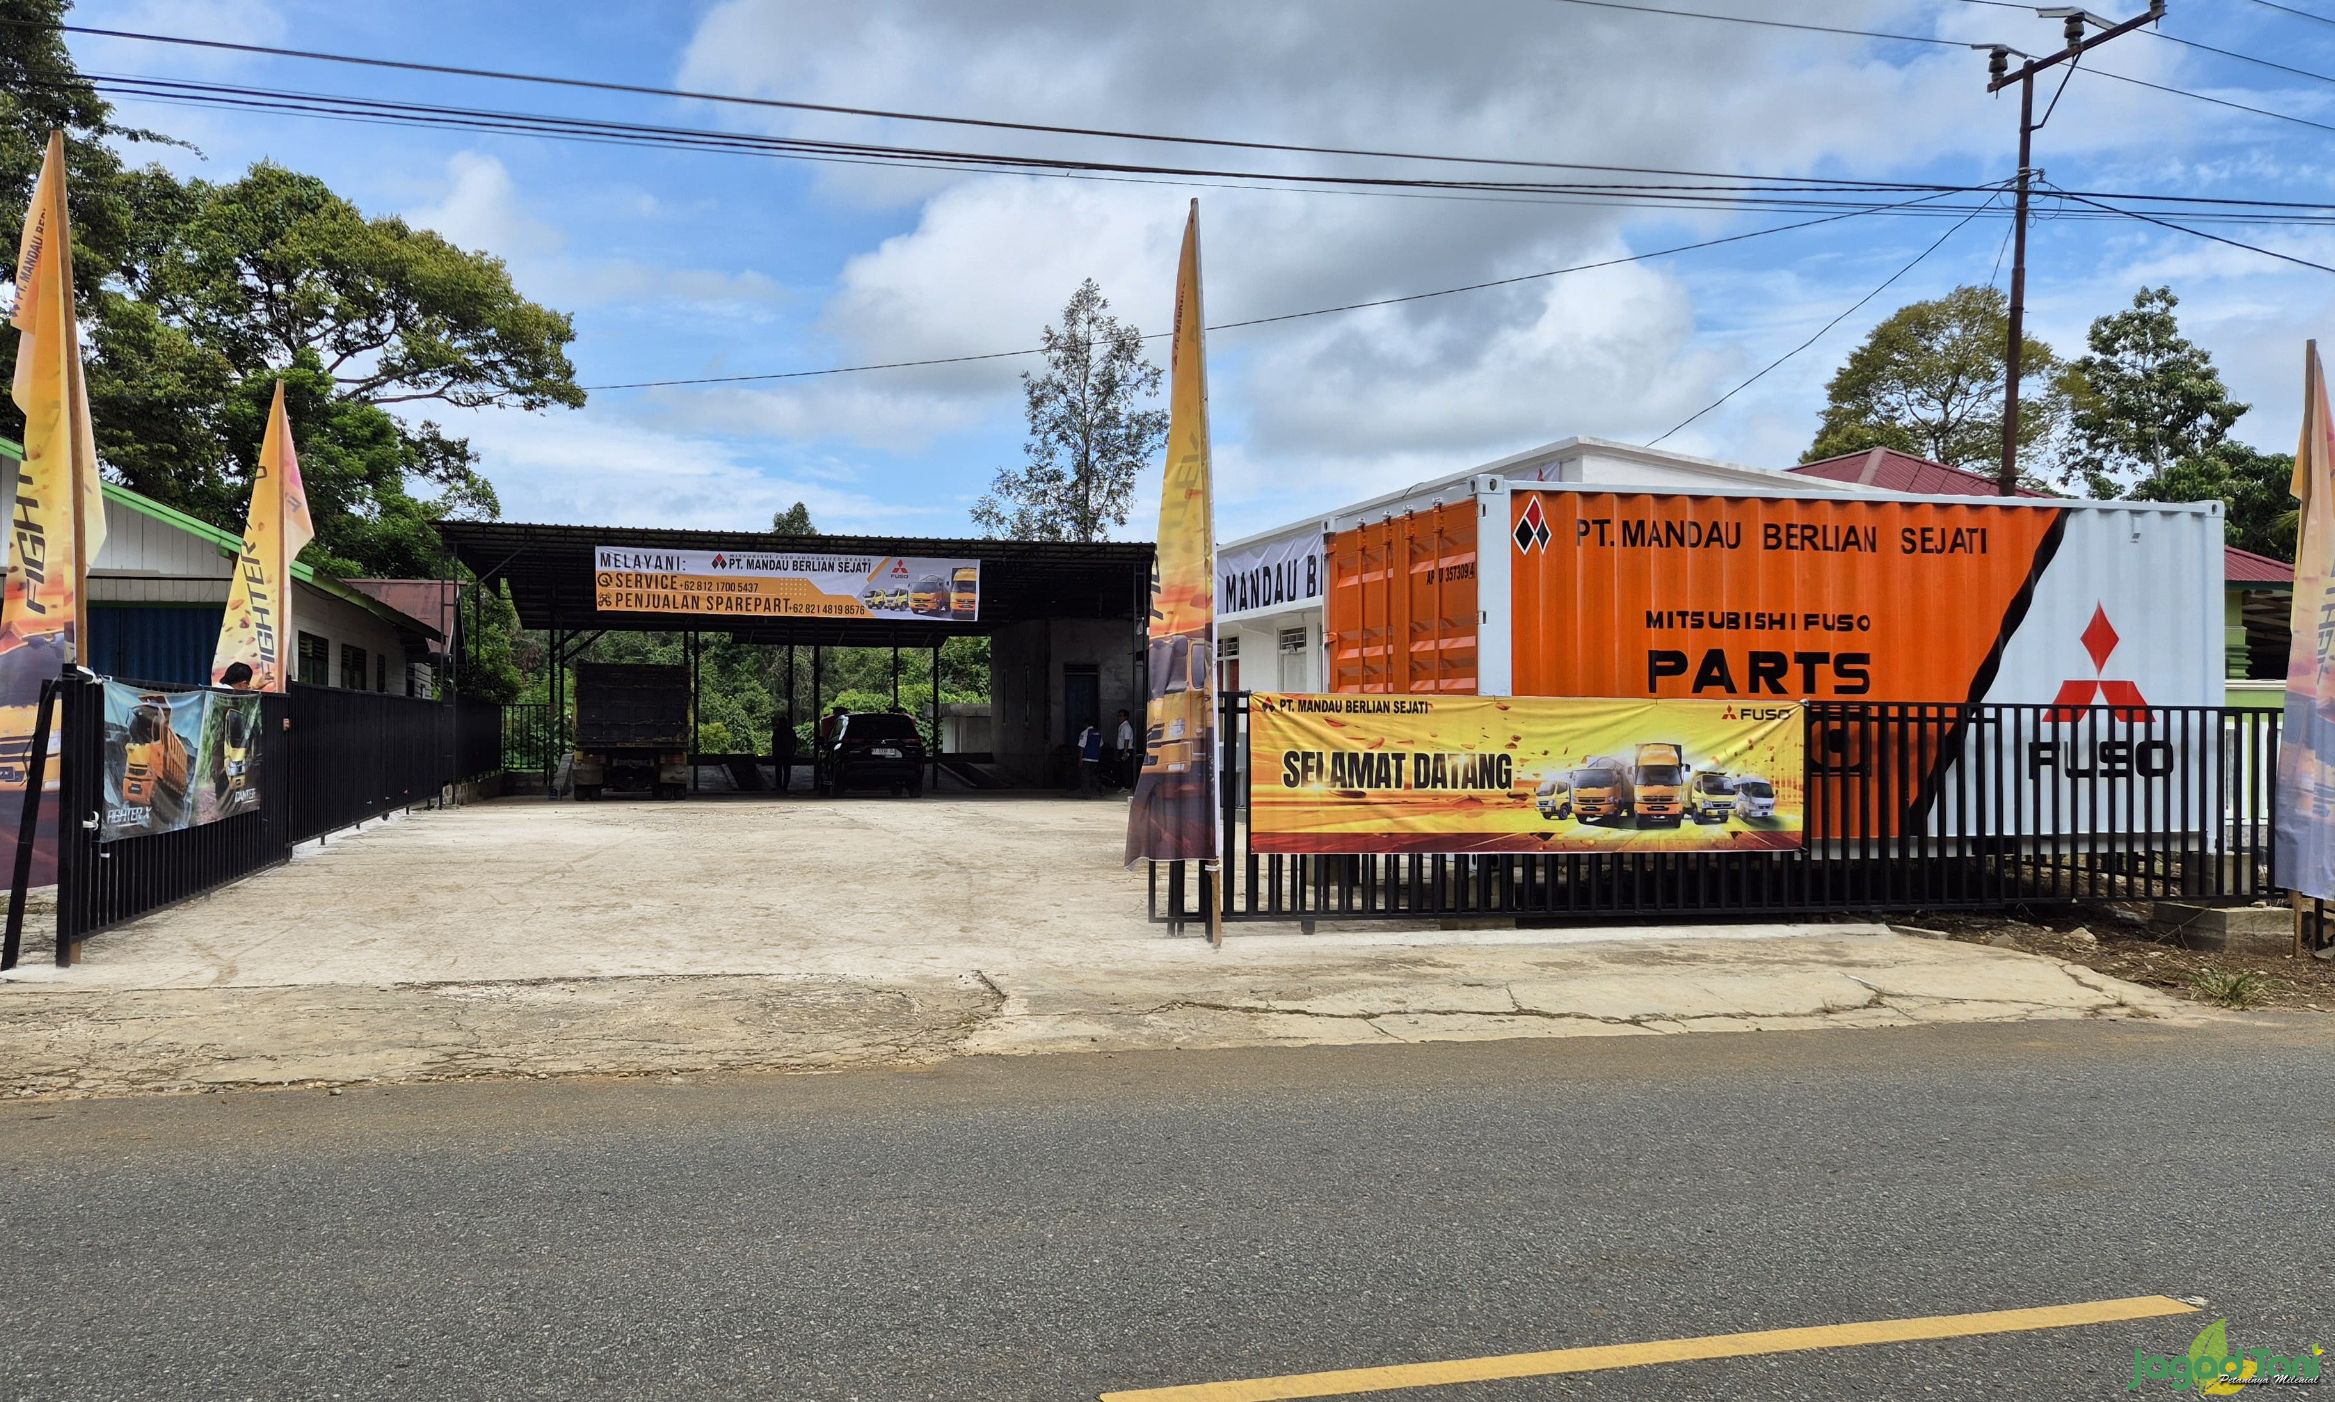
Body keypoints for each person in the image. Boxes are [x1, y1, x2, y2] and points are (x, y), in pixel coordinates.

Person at [1077, 720, 1104, 798]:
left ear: (1086, 724)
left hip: (1086, 757)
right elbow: (1101, 745)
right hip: (1095, 757)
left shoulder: (1085, 733)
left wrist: (1080, 759)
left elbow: (1081, 747)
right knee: (1092, 774)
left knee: (1084, 774)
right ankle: (1099, 786)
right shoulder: (1098, 733)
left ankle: (1086, 791)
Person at [772, 708, 796, 792]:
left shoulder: (777, 731)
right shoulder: (790, 731)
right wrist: (793, 751)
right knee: (786, 771)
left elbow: (774, 743)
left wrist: (774, 752)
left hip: (779, 753)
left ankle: (780, 786)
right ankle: (784, 786)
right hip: (787, 753)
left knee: (779, 771)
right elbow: (795, 742)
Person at [1113, 708, 1136, 791]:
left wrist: (1125, 752)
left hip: (1126, 750)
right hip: (1122, 750)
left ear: (1126, 717)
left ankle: (1127, 786)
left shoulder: (1126, 727)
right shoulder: (1122, 726)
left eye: (1121, 716)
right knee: (1123, 768)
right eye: (1118, 716)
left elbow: (1126, 740)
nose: (1119, 717)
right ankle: (1125, 785)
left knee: (1126, 768)